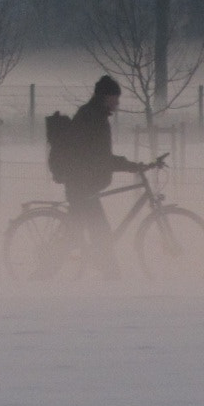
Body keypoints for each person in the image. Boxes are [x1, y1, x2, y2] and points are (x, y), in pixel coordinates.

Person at [59, 74, 147, 279]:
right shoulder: (93, 117)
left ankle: (108, 270)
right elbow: (98, 156)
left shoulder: (93, 114)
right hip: (81, 183)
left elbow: (98, 156)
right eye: (115, 97)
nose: (117, 102)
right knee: (96, 230)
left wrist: (127, 165)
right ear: (105, 97)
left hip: (83, 182)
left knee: (87, 230)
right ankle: (111, 273)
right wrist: (130, 166)